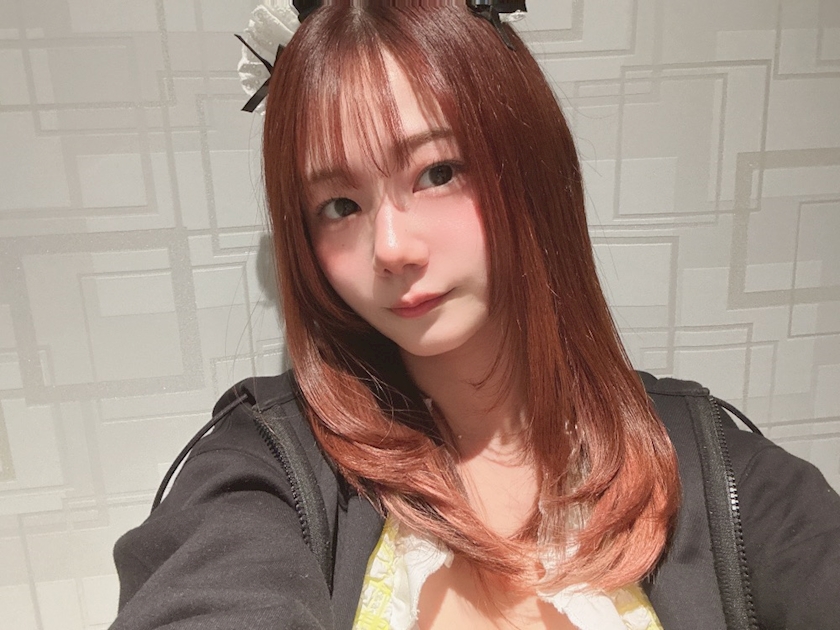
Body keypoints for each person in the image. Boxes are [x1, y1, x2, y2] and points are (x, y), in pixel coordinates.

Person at [109, 2, 840, 629]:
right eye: (340, 205)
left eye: (437, 172)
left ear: (530, 162)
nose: (391, 248)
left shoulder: (717, 470)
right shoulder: (265, 469)